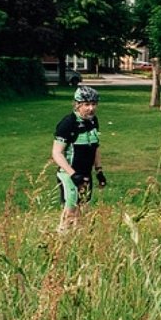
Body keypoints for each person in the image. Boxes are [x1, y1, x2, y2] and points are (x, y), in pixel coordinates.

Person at [52, 86, 107, 232]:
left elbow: (95, 147)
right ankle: (60, 244)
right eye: (87, 105)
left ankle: (78, 244)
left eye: (94, 104)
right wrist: (72, 174)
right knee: (70, 212)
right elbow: (57, 153)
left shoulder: (93, 121)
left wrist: (99, 170)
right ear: (77, 104)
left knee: (83, 211)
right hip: (69, 174)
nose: (91, 108)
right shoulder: (68, 123)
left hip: (86, 173)